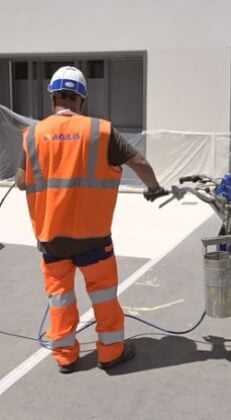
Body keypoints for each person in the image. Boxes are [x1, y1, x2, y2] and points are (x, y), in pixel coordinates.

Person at [14, 66, 167, 373]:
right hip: (94, 238)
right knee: (104, 296)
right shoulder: (101, 131)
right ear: (82, 100)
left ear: (53, 97)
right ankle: (110, 353)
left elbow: (19, 182)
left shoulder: (33, 136)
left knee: (59, 299)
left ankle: (66, 357)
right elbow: (139, 162)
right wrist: (154, 189)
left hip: (51, 238)